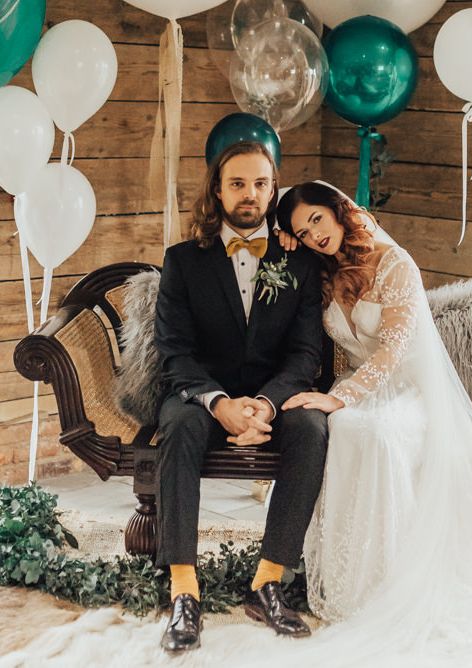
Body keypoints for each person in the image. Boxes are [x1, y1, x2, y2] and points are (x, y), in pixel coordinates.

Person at [263, 181, 472, 666]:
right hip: (358, 384)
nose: (314, 234)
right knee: (343, 428)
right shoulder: (322, 269)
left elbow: (395, 349)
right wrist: (286, 242)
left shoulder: (395, 263)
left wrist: (341, 397)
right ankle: (352, 583)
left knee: (370, 431)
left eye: (316, 219)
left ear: (338, 211)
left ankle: (393, 581)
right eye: (302, 229)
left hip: (408, 390)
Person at [153, 143, 328, 653]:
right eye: (237, 184)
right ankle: (184, 589)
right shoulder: (183, 261)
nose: (249, 194)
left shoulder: (300, 262)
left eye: (259, 183)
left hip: (274, 397)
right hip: (201, 394)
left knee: (312, 428)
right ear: (217, 189)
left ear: (273, 189)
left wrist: (269, 405)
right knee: (180, 427)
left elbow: (304, 352)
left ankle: (268, 580)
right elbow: (174, 350)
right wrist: (219, 403)